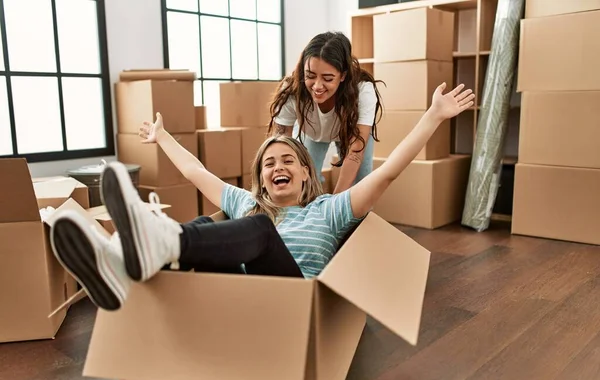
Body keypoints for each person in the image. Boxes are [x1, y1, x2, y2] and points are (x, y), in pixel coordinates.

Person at [49, 81, 474, 312]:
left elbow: (388, 174)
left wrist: (433, 116)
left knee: (256, 229)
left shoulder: (329, 209)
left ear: (308, 172)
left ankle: (156, 243)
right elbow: (196, 172)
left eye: (288, 159)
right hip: (238, 303)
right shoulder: (247, 202)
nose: (277, 167)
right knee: (206, 225)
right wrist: (161, 137)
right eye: (269, 164)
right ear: (261, 179)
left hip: (294, 307)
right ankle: (121, 268)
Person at [268, 31, 384, 194]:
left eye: (328, 78)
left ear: (343, 75)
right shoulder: (292, 90)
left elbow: (355, 153)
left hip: (351, 131)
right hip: (312, 132)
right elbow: (280, 144)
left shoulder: (363, 90)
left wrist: (336, 202)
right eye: (310, 76)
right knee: (304, 183)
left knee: (362, 187)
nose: (317, 86)